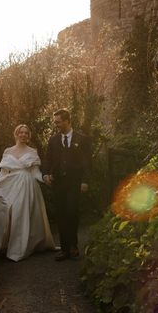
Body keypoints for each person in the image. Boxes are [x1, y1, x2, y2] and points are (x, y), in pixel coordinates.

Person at [0, 124, 55, 262]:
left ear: (28, 136)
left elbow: (35, 172)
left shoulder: (32, 151)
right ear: (16, 134)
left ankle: (19, 249)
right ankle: (1, 244)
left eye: (26, 133)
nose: (23, 135)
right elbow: (3, 172)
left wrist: (44, 178)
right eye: (21, 132)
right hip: (10, 184)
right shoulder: (8, 151)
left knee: (19, 213)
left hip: (26, 185)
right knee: (5, 210)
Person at [42, 109, 92, 261]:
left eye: (58, 122)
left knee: (72, 212)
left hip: (75, 183)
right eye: (55, 122)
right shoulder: (53, 140)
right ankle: (64, 249)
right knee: (61, 215)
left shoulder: (82, 139)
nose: (56, 125)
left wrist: (85, 181)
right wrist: (45, 174)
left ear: (67, 121)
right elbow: (48, 160)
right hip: (58, 183)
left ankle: (73, 245)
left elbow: (88, 163)